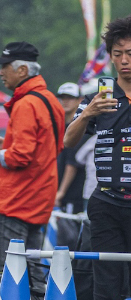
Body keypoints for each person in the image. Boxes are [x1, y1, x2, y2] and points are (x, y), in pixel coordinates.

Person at [64, 15, 131, 300]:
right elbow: (68, 142)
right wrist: (87, 113)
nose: (125, 61)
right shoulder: (99, 99)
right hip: (106, 202)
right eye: (118, 54)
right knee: (105, 289)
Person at [0, 41, 64, 300]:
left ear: (22, 69)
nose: (1, 73)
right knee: (34, 268)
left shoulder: (26, 104)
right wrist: (6, 142)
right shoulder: (49, 99)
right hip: (40, 195)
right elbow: (49, 147)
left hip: (18, 199)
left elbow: (21, 158)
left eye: (4, 67)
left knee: (9, 271)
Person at [55, 82, 88, 214]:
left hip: (74, 194)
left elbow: (72, 163)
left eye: (70, 98)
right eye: (62, 98)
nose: (65, 101)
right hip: (59, 193)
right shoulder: (60, 127)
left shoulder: (82, 127)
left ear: (80, 100)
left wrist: (60, 193)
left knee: (71, 233)